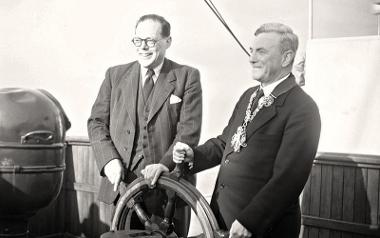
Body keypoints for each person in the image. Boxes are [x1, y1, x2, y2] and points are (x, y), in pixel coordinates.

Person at [171, 23, 321, 238]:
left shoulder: (303, 108)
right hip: (222, 222)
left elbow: (289, 178)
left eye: (261, 51)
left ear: (286, 58)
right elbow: (226, 143)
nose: (251, 58)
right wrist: (194, 154)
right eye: (252, 51)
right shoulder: (248, 96)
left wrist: (251, 221)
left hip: (261, 229)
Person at [87, 14, 202, 236]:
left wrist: (165, 165)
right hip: (123, 190)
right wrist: (109, 160)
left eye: (150, 41)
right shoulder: (114, 75)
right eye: (138, 41)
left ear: (167, 42)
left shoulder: (187, 77)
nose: (143, 47)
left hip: (169, 191)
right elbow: (96, 122)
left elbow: (188, 132)